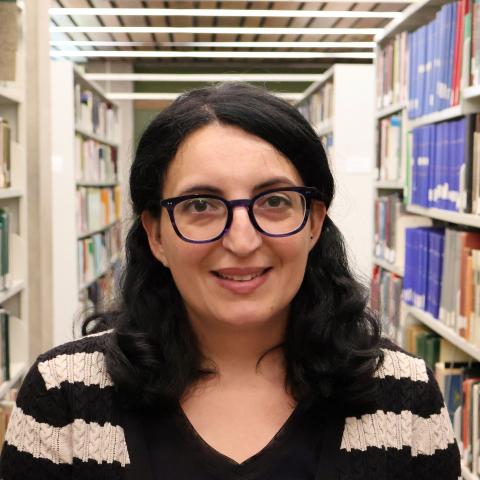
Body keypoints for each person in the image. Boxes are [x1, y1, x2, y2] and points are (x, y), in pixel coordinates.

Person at [0, 83, 460, 479]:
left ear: (314, 223)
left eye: (274, 201)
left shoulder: (405, 395)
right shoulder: (64, 396)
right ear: (157, 234)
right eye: (201, 205)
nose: (242, 241)